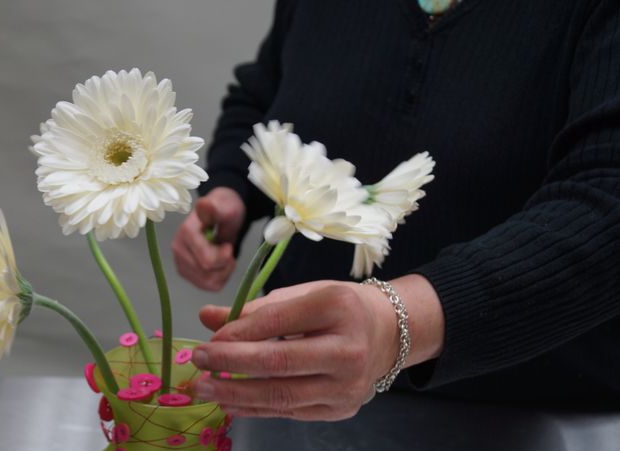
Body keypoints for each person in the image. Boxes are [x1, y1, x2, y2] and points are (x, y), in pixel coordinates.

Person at [172, 0, 620, 420]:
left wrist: (395, 323)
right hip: (298, 398)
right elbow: (266, 92)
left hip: (533, 424)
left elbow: (606, 200)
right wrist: (233, 187)